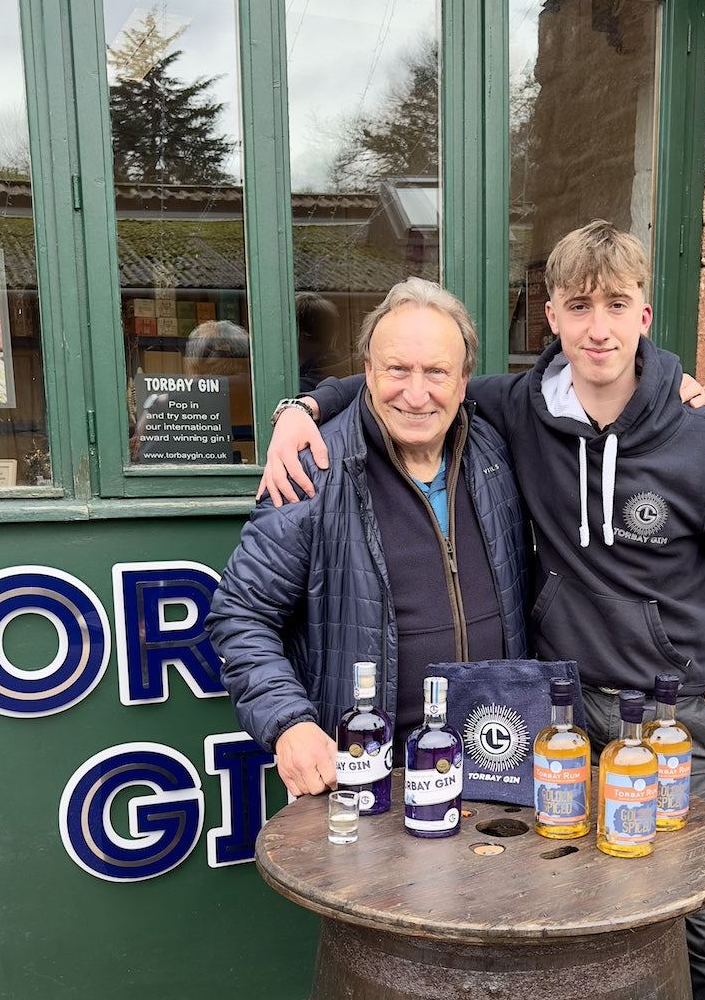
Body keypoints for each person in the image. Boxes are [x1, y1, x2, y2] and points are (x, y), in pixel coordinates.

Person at [258, 221, 705, 1000]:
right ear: (548, 317)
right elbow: (404, 380)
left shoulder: (697, 434)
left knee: (693, 939)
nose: (597, 328)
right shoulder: (514, 409)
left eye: (616, 306)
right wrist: (303, 403)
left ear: (643, 311)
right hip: (549, 713)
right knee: (547, 929)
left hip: (664, 724)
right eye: (576, 306)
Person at [206, 278, 529, 793]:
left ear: (464, 381)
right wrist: (289, 722)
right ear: (368, 374)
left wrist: (669, 385)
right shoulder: (313, 469)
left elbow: (590, 387)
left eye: (437, 372)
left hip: (497, 769)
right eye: (397, 369)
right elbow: (241, 614)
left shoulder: (497, 451)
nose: (417, 393)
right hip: (366, 777)